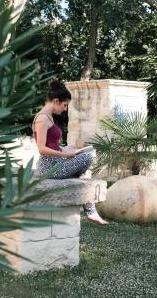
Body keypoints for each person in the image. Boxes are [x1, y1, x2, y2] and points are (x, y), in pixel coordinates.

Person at [32, 78, 109, 225]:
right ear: (56, 101)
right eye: (65, 105)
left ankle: (91, 210)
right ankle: (91, 211)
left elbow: (51, 144)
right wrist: (64, 154)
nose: (65, 109)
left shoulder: (48, 117)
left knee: (86, 161)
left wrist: (66, 149)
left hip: (55, 162)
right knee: (88, 158)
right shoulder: (42, 119)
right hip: (49, 168)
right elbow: (41, 148)